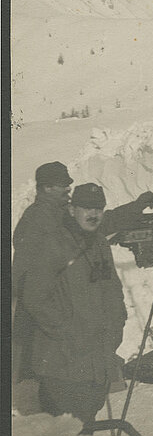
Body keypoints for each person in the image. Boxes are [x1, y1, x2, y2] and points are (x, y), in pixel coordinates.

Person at [17, 183, 130, 427]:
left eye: (99, 208)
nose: (94, 214)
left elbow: (112, 289)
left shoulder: (99, 243)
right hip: (62, 360)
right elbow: (34, 297)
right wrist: (67, 330)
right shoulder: (53, 245)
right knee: (68, 431)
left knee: (86, 420)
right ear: (71, 210)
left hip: (95, 358)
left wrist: (117, 323)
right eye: (86, 208)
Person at [11, 162, 74, 386]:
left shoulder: (55, 213)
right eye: (63, 185)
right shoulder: (39, 217)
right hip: (37, 298)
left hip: (45, 295)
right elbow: (25, 266)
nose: (69, 188)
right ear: (47, 188)